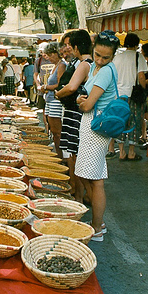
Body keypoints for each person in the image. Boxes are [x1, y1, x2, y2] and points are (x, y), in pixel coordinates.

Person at [75, 30, 119, 242]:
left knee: (95, 178)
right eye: (98, 55)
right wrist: (82, 102)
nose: (100, 60)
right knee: (87, 175)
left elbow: (88, 105)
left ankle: (97, 226)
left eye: (105, 57)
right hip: (93, 123)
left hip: (96, 125)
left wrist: (82, 103)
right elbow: (84, 101)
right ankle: (97, 221)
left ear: (113, 56)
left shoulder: (105, 71)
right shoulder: (95, 67)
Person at [54, 29, 93, 203]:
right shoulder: (87, 63)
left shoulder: (84, 64)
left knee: (77, 158)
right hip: (77, 113)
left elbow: (71, 87)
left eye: (70, 45)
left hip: (76, 115)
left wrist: (58, 94)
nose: (69, 49)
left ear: (77, 47)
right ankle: (79, 193)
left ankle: (80, 195)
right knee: (76, 156)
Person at [110, 33, 148, 161]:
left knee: (120, 122)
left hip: (118, 96)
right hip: (133, 96)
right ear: (137, 44)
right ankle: (131, 152)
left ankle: (121, 152)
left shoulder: (117, 58)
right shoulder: (139, 57)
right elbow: (141, 76)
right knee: (134, 122)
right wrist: (143, 90)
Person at [41, 42, 66, 159]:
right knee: (54, 131)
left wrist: (46, 87)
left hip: (56, 101)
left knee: (57, 132)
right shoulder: (56, 65)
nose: (49, 58)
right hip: (51, 100)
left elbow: (59, 85)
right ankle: (59, 155)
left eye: (50, 55)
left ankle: (61, 157)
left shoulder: (61, 65)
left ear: (57, 53)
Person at [34, 42, 53, 127]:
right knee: (44, 110)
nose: (43, 54)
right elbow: (35, 74)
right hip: (43, 89)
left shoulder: (53, 59)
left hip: (52, 89)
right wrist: (38, 85)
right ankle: (46, 128)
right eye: (41, 52)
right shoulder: (38, 61)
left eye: (45, 52)